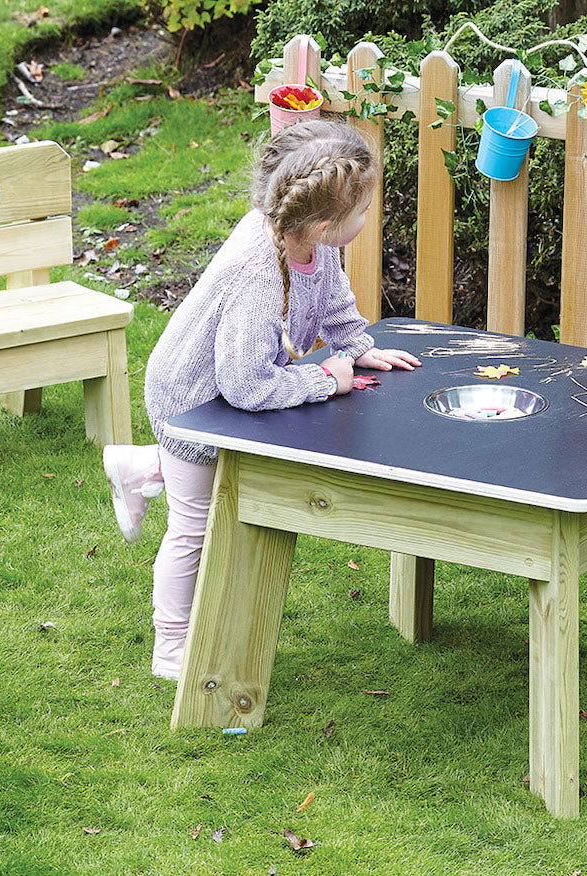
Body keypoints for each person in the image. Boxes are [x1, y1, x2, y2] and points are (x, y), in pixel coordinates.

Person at [102, 120, 421, 681]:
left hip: (229, 387)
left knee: (206, 491)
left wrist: (357, 347)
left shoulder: (305, 240)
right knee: (195, 526)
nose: (369, 220)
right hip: (193, 402)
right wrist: (325, 379)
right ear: (326, 223)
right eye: (364, 210)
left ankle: (139, 468)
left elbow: (331, 298)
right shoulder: (257, 272)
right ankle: (172, 647)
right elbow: (246, 387)